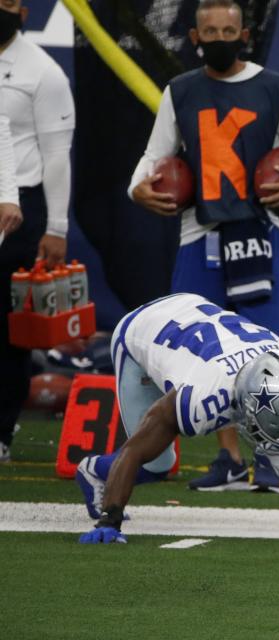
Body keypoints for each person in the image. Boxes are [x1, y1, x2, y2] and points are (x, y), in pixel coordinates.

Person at [129, 0, 279, 490]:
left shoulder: (275, 87)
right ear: (194, 37)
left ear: (245, 34)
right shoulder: (181, 90)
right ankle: (230, 460)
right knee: (206, 358)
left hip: (259, 234)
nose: (220, 37)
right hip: (201, 234)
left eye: (228, 29)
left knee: (271, 352)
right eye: (210, 30)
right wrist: (138, 188)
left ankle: (272, 455)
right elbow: (153, 157)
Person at [74, 293, 279, 543]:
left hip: (203, 323)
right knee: (157, 463)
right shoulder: (201, 400)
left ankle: (273, 449)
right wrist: (109, 521)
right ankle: (95, 469)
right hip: (141, 332)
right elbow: (134, 449)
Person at [0, 0, 74, 462]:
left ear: (24, 12)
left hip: (19, 210)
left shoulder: (42, 73)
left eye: (9, 2)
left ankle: (1, 431)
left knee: (9, 331)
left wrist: (57, 226)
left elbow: (57, 155)